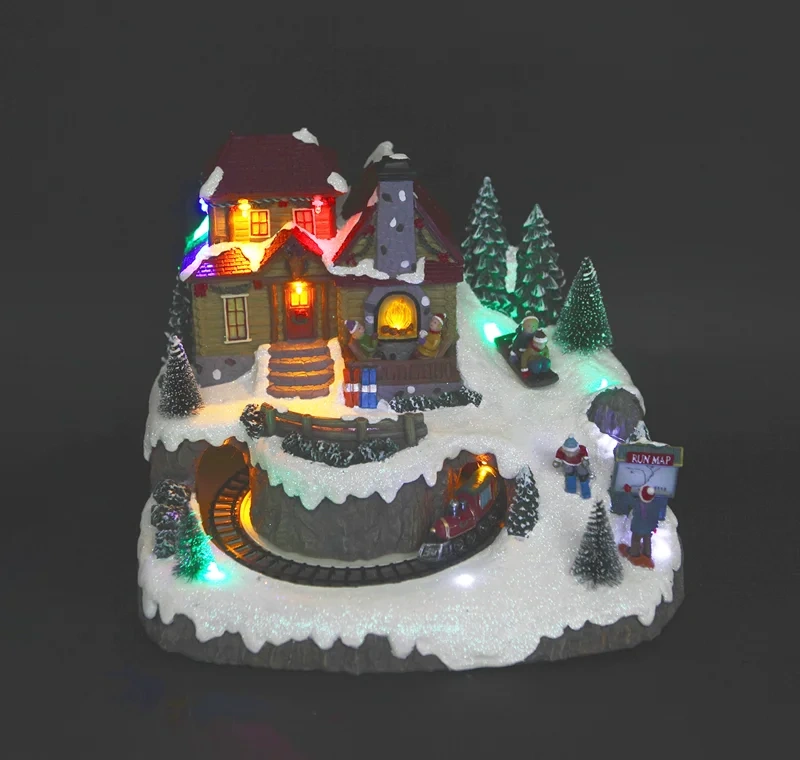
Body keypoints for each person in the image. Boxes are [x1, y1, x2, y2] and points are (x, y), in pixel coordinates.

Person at [621, 484, 658, 569]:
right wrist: (654, 527)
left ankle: (635, 555)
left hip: (637, 528)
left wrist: (628, 492)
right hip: (648, 528)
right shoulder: (654, 505)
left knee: (636, 541)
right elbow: (655, 516)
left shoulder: (637, 503)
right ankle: (647, 555)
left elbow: (630, 500)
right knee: (647, 541)